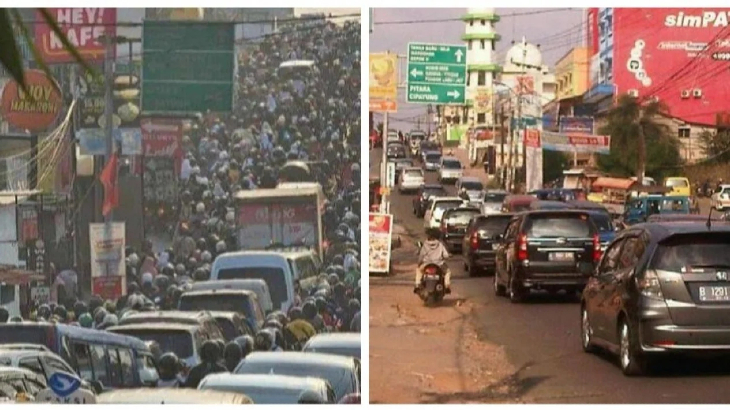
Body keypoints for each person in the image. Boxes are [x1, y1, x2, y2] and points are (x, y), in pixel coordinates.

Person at [414, 228, 452, 294]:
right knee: (447, 272)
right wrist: (448, 256)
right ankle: (446, 285)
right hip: (439, 265)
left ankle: (417, 284)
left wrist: (419, 263)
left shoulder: (425, 244)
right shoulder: (440, 244)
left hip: (426, 264)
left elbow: (421, 256)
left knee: (418, 270)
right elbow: (446, 255)